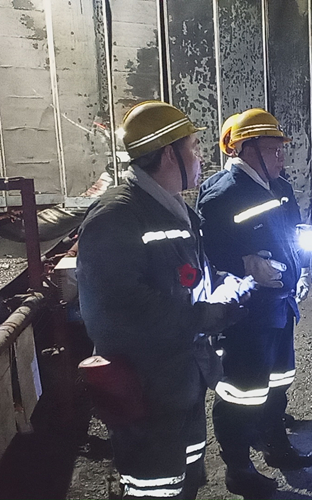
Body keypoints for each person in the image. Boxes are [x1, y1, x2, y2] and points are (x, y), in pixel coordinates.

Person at [77, 100, 249, 499]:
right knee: (154, 487)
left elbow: (191, 274)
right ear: (169, 153)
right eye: (194, 147)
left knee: (186, 479)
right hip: (148, 391)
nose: (200, 157)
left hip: (182, 383)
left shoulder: (175, 210)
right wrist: (205, 316)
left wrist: (229, 283)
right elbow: (117, 310)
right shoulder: (116, 216)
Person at [196, 108, 312, 497]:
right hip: (245, 314)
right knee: (242, 389)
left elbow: (292, 234)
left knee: (278, 379)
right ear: (246, 149)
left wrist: (302, 271)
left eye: (282, 149)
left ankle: (274, 443)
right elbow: (207, 252)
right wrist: (244, 263)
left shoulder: (281, 188)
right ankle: (238, 467)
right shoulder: (222, 193)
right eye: (273, 149)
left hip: (280, 304)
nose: (282, 157)